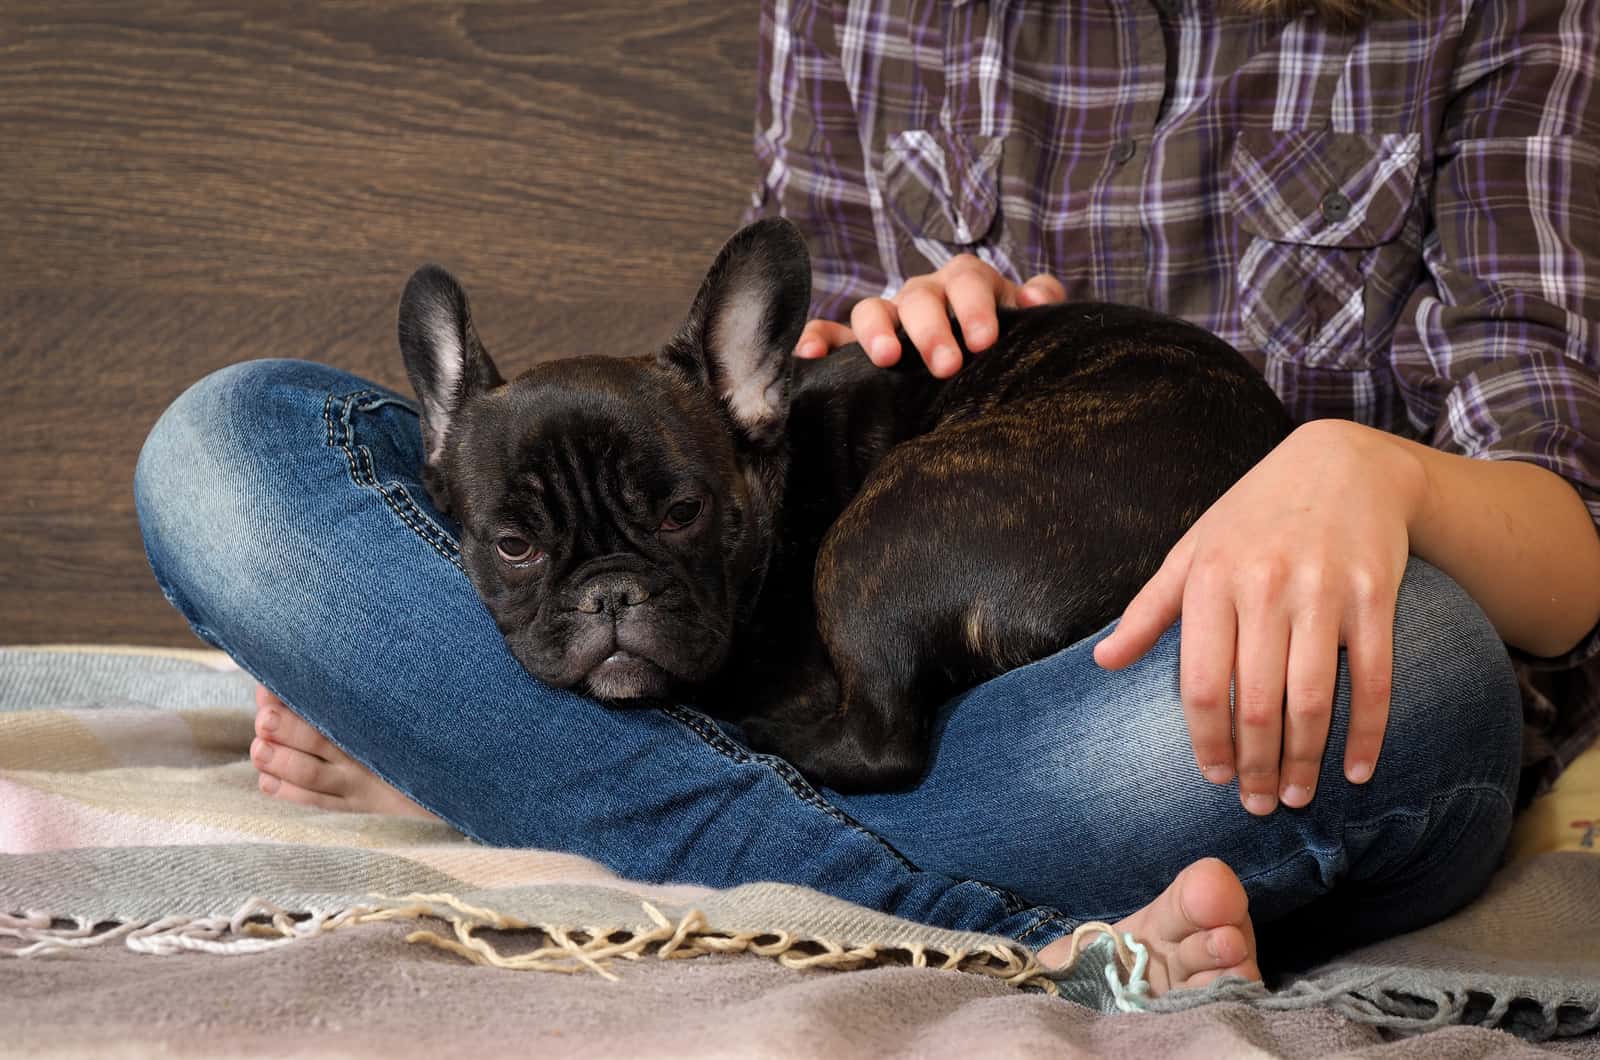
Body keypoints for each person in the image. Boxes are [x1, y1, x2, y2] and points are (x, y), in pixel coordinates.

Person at [134, 0, 1600, 994]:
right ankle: (1008, 926)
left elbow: (1571, 546)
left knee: (1427, 660)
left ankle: (517, 774)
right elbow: (781, 378)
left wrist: (1365, 467)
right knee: (228, 443)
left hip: (1221, 700)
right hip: (968, 737)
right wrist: (882, 326)